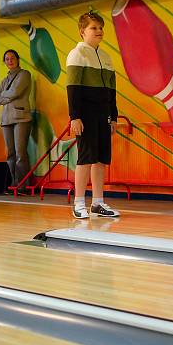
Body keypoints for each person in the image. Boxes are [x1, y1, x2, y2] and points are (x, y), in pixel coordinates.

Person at [66, 11, 120, 219]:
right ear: (82, 31)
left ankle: (98, 203)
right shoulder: (77, 54)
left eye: (100, 28)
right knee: (86, 157)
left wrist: (113, 116)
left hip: (103, 113)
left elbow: (112, 91)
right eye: (93, 28)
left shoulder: (106, 57)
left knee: (101, 159)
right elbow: (73, 88)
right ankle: (79, 203)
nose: (99, 31)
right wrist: (75, 116)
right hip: (85, 114)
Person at [0, 49, 32, 193]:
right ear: (4, 62)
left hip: (21, 118)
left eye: (12, 58)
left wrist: (4, 95)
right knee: (10, 154)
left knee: (20, 153)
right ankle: (14, 184)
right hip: (6, 120)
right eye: (7, 59)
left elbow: (16, 92)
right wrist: (7, 96)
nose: (10, 61)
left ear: (17, 59)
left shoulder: (24, 74)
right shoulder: (5, 80)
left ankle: (23, 185)